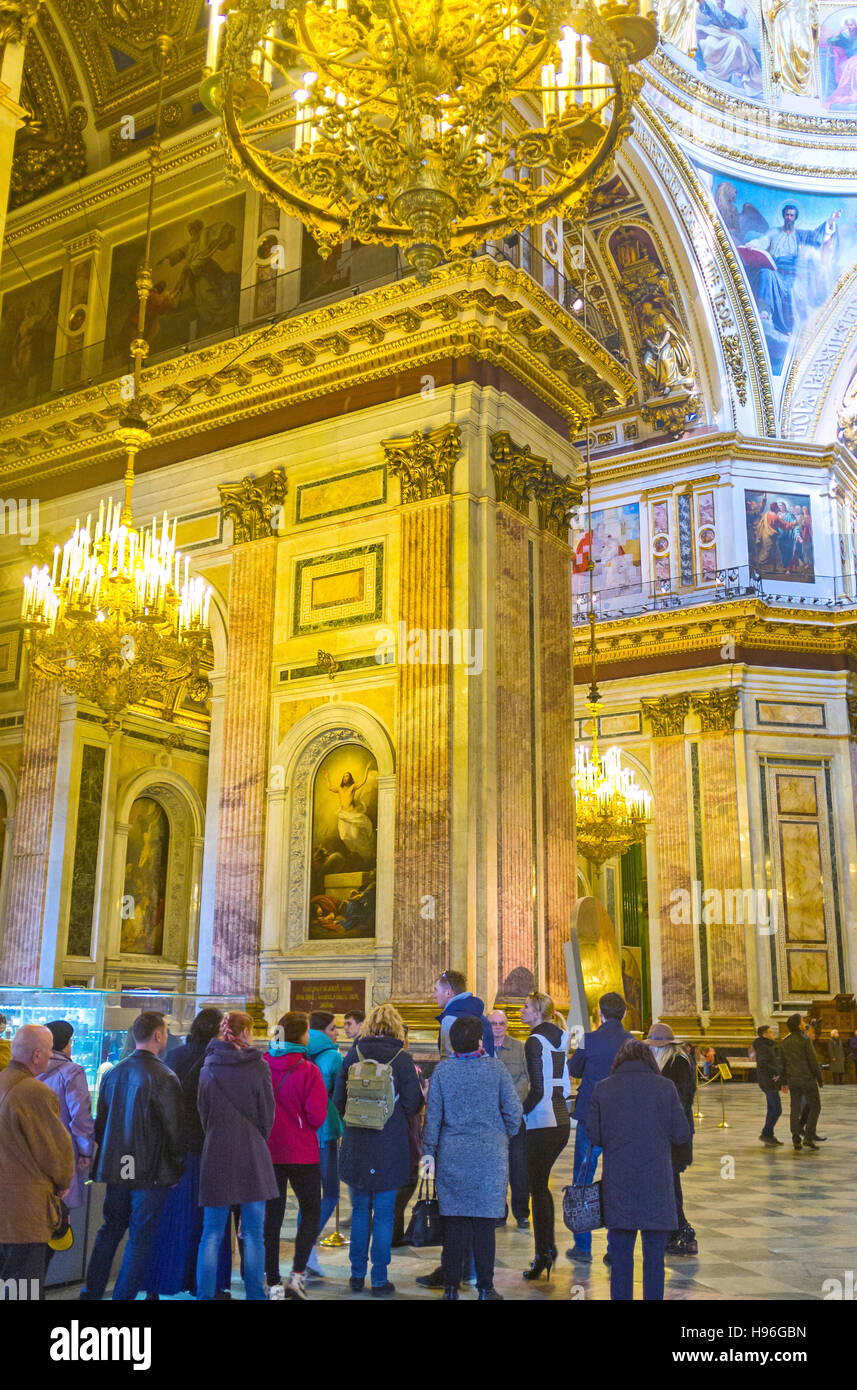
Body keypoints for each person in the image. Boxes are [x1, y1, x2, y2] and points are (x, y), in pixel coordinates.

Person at [81, 1011, 185, 1301]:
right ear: (158, 1036)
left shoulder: (114, 1072)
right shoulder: (165, 1075)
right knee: (140, 1238)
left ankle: (90, 1294)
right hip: (149, 1172)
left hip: (117, 1167)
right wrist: (177, 1168)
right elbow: (175, 1130)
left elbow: (101, 1123)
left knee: (110, 1230)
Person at [422, 1014, 523, 1300]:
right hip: (490, 1158)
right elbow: (514, 1113)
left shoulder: (443, 1071)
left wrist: (429, 1152)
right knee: (484, 1225)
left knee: (454, 1224)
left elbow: (433, 1118)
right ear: (480, 1040)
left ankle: (451, 1288)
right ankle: (485, 1288)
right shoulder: (497, 1069)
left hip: (453, 1157)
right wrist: (504, 1134)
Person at [588, 1039, 691, 1301]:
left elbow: (595, 1135)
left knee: (620, 1258)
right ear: (650, 1060)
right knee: (655, 1260)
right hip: (656, 1183)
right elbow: (681, 1133)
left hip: (619, 1184)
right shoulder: (665, 1088)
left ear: (619, 1061)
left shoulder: (603, 1088)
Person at [333, 1002, 424, 1296]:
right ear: (397, 1028)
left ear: (369, 1026)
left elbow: (337, 1101)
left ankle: (356, 1275)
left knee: (360, 1210)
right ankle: (380, 1279)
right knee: (384, 1214)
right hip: (389, 1145)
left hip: (357, 1143)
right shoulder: (402, 1058)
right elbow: (413, 1104)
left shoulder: (353, 1054)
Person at [142, 1008, 232, 1299]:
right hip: (209, 1148)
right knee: (210, 1223)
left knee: (171, 1220)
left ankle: (158, 1283)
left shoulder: (176, 1056)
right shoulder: (220, 1058)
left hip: (178, 1149)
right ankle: (209, 1285)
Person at [196, 1011, 278, 1301]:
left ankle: (205, 1296)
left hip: (216, 1150)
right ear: (247, 1032)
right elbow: (267, 1114)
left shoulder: (208, 1066)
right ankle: (255, 1294)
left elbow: (203, 1113)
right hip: (252, 1152)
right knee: (254, 1233)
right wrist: (256, 1138)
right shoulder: (258, 1066)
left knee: (212, 1233)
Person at [0, 1025, 74, 1292]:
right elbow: (56, 1151)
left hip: (5, 1212)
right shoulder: (35, 1092)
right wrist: (64, 1182)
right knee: (23, 1290)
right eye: (48, 1051)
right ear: (36, 1056)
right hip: (25, 1213)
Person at [264, 1011, 328, 1301]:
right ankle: (297, 1275)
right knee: (311, 1211)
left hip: (269, 1151)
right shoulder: (309, 1070)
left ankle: (273, 1283)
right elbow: (317, 1117)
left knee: (271, 1219)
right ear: (302, 1037)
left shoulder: (262, 1064)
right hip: (302, 1152)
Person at [566, 991, 633, 1264]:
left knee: (583, 1179)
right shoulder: (633, 1042)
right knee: (619, 1181)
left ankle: (583, 1247)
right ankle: (615, 1249)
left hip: (591, 1118)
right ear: (625, 1014)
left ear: (600, 1014)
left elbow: (574, 1069)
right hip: (622, 1120)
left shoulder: (589, 1039)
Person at [521, 990, 571, 1281]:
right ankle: (546, 1250)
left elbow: (538, 1089)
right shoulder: (562, 1035)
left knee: (537, 1188)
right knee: (540, 1187)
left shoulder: (534, 1041)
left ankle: (545, 1252)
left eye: (526, 1007)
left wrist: (521, 1112)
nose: (522, 1011)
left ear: (538, 1011)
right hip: (561, 1120)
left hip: (542, 1120)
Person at [38, 1020, 95, 1270]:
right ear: (66, 1044)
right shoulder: (72, 1072)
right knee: (53, 1231)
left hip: (29, 1166)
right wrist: (85, 1152)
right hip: (60, 1162)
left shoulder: (27, 1070)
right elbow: (81, 1118)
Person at [645, 1023, 697, 1256]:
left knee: (669, 1184)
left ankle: (684, 1232)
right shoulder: (664, 1062)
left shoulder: (678, 1063)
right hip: (662, 1133)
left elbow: (681, 1100)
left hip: (674, 1134)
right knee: (668, 1183)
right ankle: (675, 1233)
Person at [305, 1010, 345, 1272]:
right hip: (325, 1132)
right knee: (330, 1192)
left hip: (302, 1131)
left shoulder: (297, 1052)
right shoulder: (333, 1056)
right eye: (333, 1028)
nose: (337, 1033)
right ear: (323, 1031)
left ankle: (307, 1250)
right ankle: (306, 1243)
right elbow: (341, 1096)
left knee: (309, 1196)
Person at [489, 1009, 530, 1230]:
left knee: (519, 1165)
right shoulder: (482, 1048)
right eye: (493, 1023)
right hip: (491, 1119)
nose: (497, 1027)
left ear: (507, 1025)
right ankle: (498, 1212)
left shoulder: (519, 1048)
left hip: (514, 1116)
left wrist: (510, 1101)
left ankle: (522, 1212)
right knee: (496, 1167)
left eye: (501, 1023)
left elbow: (526, 1078)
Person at [392, 1025, 428, 1247]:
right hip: (405, 1135)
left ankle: (390, 1230)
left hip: (377, 1137)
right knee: (406, 1182)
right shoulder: (410, 1067)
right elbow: (415, 1104)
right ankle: (394, 1234)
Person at [780, 1013, 824, 1150]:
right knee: (815, 1106)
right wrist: (819, 1077)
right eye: (802, 1021)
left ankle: (795, 1138)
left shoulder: (785, 1041)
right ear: (799, 1025)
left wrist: (783, 1081)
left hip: (792, 1079)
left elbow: (782, 1063)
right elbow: (812, 1060)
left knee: (795, 1108)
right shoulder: (805, 1039)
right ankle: (808, 1137)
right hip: (807, 1079)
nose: (804, 1022)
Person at [434, 970, 495, 1058]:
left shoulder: (449, 1019)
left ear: (448, 993)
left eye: (436, 990)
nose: (434, 995)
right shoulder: (482, 1017)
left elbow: (448, 1061)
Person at [754, 1024, 784, 1147]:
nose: (773, 1034)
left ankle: (768, 1134)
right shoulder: (763, 1047)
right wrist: (775, 1073)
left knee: (773, 1109)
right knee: (776, 1109)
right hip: (768, 1081)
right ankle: (766, 1133)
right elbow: (764, 1063)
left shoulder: (767, 1046)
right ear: (765, 1034)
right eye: (771, 1032)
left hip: (770, 1081)